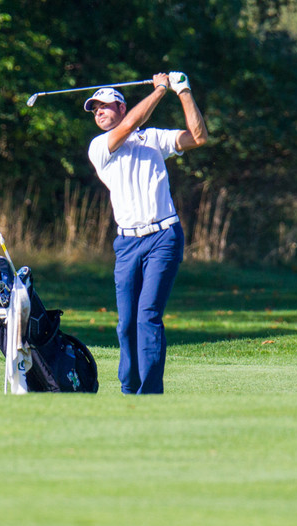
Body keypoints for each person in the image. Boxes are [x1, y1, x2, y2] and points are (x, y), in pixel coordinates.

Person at [84, 72, 208, 394]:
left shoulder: (152, 139)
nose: (98, 112)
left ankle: (149, 395)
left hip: (163, 237)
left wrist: (183, 91)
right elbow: (128, 127)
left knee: (147, 316)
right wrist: (160, 90)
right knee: (126, 324)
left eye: (105, 106)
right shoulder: (99, 147)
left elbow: (198, 137)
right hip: (126, 243)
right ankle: (130, 389)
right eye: (94, 108)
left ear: (122, 107)